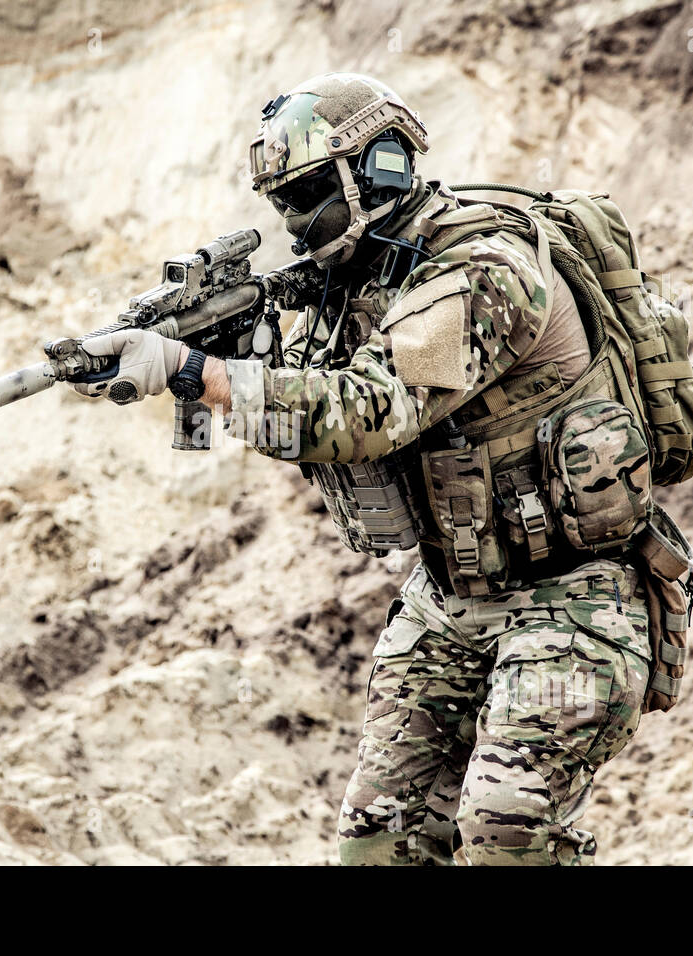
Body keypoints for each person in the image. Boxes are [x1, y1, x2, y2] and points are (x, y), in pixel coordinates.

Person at [73, 73, 658, 865]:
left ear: (380, 166)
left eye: (309, 191)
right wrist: (230, 355)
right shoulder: (361, 279)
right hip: (448, 597)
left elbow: (366, 415)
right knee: (378, 847)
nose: (295, 217)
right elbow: (308, 431)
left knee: (505, 838)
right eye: (282, 199)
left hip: (576, 594)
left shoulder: (482, 267)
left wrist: (194, 374)